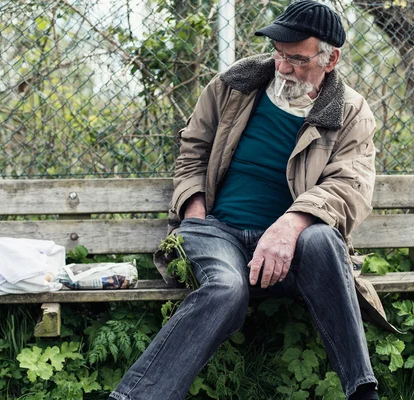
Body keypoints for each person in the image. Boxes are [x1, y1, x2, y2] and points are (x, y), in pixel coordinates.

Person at [110, 1, 397, 399]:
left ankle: (363, 393)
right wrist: (194, 217)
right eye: (279, 54)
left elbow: (349, 187)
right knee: (226, 288)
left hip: (295, 250)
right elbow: (192, 150)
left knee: (323, 238)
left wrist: (289, 224)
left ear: (330, 59)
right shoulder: (234, 84)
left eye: (296, 59)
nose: (282, 67)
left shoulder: (350, 111)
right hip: (218, 233)